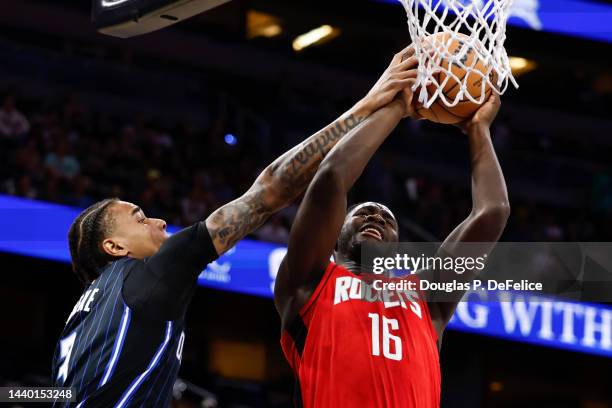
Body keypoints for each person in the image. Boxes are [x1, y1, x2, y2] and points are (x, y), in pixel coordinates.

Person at [50, 46, 418, 407]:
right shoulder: (146, 277)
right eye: (141, 219)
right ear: (115, 247)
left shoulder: (76, 327)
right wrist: (371, 104)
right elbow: (271, 191)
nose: (160, 221)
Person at [274, 46, 510, 407]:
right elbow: (331, 178)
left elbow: (492, 212)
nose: (375, 218)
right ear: (334, 237)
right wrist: (398, 107)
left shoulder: (426, 297)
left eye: (387, 220)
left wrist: (478, 129)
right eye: (363, 213)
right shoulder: (309, 282)